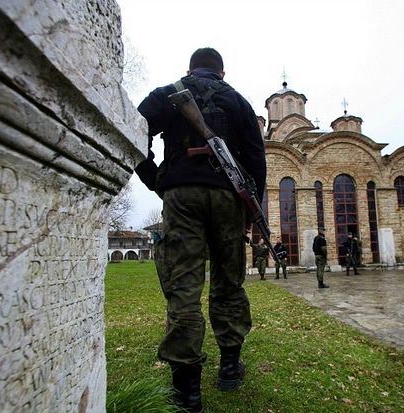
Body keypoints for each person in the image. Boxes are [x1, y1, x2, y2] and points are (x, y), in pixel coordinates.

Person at [135, 47, 266, 413]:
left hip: (181, 196)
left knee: (184, 287)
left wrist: (156, 177)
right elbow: (257, 160)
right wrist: (252, 211)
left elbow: (135, 129)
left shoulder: (166, 94)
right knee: (228, 282)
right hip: (228, 198)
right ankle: (228, 368)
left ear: (190, 69)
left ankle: (188, 392)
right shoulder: (238, 101)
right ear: (222, 74)